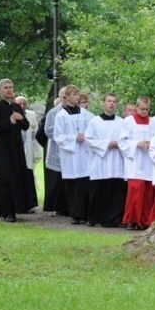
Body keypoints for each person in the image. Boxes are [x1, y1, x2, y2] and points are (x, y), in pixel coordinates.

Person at [0, 79, 29, 223]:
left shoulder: (17, 106)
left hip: (17, 147)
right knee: (5, 178)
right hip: (3, 149)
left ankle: (18, 208)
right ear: (0, 91)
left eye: (11, 87)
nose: (9, 90)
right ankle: (7, 212)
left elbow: (25, 126)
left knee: (17, 177)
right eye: (6, 88)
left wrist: (21, 118)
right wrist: (9, 122)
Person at [84, 93, 127, 227]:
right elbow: (89, 139)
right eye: (109, 101)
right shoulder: (94, 121)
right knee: (98, 192)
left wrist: (118, 143)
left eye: (114, 101)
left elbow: (126, 139)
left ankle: (113, 219)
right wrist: (106, 144)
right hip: (100, 161)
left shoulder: (122, 122)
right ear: (103, 103)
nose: (112, 103)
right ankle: (94, 218)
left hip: (116, 161)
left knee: (115, 192)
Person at [54, 85, 93, 225]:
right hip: (70, 155)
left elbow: (93, 129)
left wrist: (86, 136)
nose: (77, 97)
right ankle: (75, 214)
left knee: (85, 183)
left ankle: (86, 213)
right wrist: (73, 138)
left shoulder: (85, 114)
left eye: (78, 94)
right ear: (67, 96)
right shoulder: (61, 116)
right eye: (74, 94)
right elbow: (58, 136)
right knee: (73, 185)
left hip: (84, 153)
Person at [119, 96, 154, 230]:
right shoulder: (128, 121)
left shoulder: (153, 122)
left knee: (147, 191)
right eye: (142, 109)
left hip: (148, 161)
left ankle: (145, 220)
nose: (144, 112)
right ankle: (131, 219)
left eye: (147, 109)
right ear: (137, 108)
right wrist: (136, 144)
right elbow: (122, 141)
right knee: (135, 190)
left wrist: (151, 143)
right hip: (134, 161)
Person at [41, 89, 68, 215]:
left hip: (73, 151)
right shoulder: (53, 112)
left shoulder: (78, 112)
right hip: (57, 148)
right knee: (57, 180)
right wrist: (64, 135)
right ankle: (59, 207)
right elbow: (48, 130)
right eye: (64, 96)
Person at [16, 95, 41, 213]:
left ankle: (29, 205)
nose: (22, 106)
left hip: (28, 150)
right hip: (16, 151)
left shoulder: (31, 115)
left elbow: (35, 134)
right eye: (19, 104)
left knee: (28, 177)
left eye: (24, 104)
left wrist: (36, 152)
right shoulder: (11, 114)